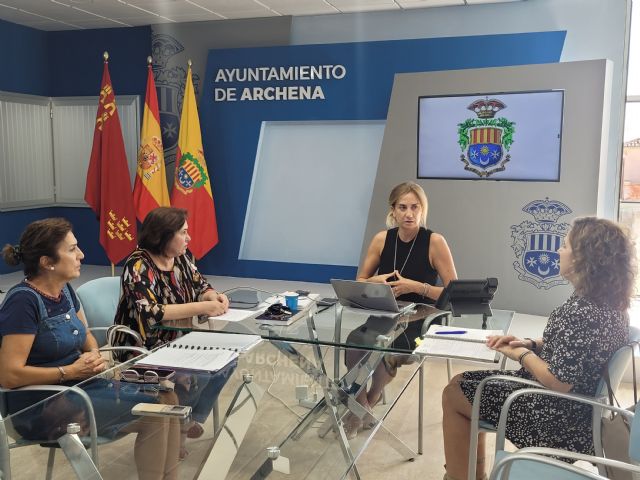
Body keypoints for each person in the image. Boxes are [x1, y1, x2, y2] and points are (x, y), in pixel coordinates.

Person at [441, 217, 635, 480]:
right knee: (462, 382)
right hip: (583, 410)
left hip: (556, 417)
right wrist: (530, 343)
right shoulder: (611, 304)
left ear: (582, 258)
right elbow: (577, 349)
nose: (558, 251)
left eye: (565, 246)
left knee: (454, 392)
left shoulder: (581, 310)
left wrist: (522, 354)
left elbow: (558, 382)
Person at [0, 218, 180, 480]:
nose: (81, 255)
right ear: (47, 262)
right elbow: (9, 375)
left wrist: (93, 355)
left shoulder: (65, 290)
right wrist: (69, 371)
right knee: (156, 411)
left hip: (80, 387)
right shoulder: (23, 301)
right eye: (72, 249)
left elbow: (86, 335)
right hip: (42, 406)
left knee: (167, 399)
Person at [113, 206, 233, 458]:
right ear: (163, 235)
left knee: (227, 361)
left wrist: (214, 296)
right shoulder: (138, 264)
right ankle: (178, 428)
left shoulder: (181, 258)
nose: (189, 238)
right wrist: (204, 306)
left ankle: (187, 420)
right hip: (143, 348)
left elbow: (202, 285)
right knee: (195, 372)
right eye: (183, 233)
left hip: (180, 342)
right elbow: (152, 312)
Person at [345, 181, 458, 437]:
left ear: (422, 209)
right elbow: (360, 281)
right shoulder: (381, 239)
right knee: (353, 345)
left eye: (415, 207)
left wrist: (417, 286)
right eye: (403, 207)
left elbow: (454, 293)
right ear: (393, 210)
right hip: (386, 313)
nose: (409, 213)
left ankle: (369, 401)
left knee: (387, 348)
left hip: (423, 318)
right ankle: (361, 406)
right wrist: (378, 280)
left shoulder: (434, 242)